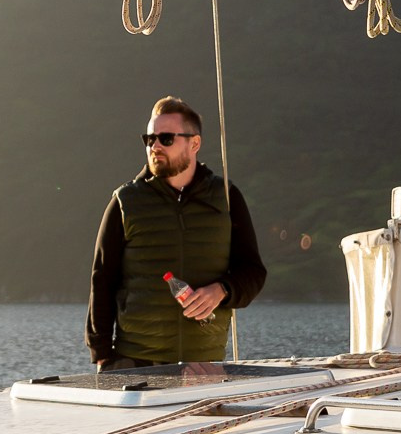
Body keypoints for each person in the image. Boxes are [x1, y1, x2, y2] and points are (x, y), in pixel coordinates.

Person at [87, 97, 267, 369]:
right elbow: (102, 280)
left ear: (194, 143)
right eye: (149, 139)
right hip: (136, 363)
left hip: (204, 366)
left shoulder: (227, 197)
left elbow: (253, 272)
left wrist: (221, 290)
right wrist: (101, 355)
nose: (155, 146)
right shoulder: (125, 201)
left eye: (166, 138)